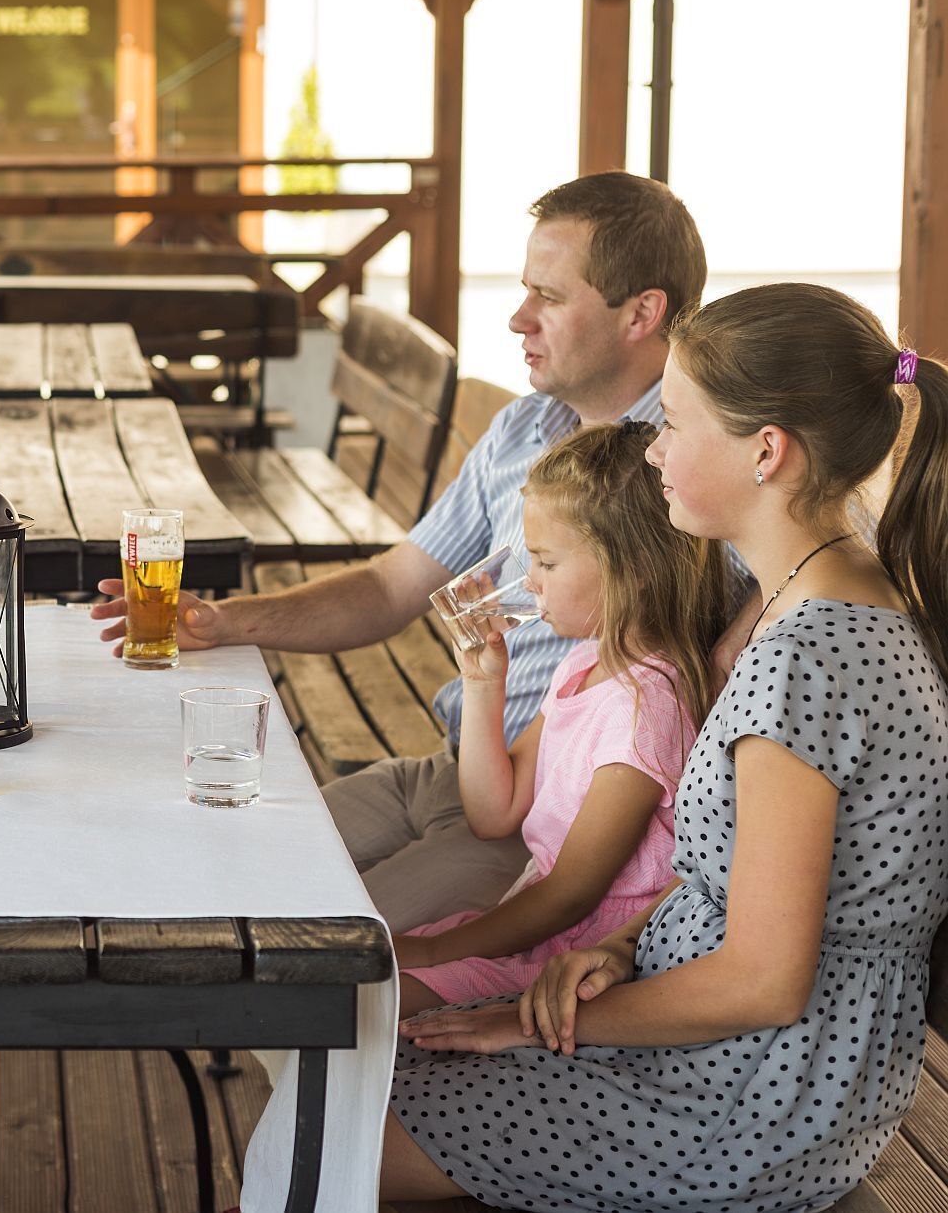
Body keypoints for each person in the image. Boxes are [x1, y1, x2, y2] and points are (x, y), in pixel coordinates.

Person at [384, 283, 948, 1211]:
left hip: (746, 1098)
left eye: (674, 424)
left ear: (767, 452)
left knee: (327, 1127)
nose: (653, 450)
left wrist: (545, 1024)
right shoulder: (803, 602)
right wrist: (625, 946)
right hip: (751, 1052)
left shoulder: (806, 660)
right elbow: (738, 887)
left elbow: (764, 980)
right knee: (349, 1082)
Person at [94, 170, 712, 930]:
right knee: (212, 859)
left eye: (549, 297)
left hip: (542, 824)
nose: (520, 319)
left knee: (312, 957)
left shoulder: (692, 470)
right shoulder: (525, 428)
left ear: (642, 313)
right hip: (452, 766)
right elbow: (394, 586)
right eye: (525, 291)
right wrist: (226, 621)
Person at [393, 421, 727, 1018]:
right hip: (532, 930)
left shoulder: (647, 708)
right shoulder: (588, 662)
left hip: (579, 962)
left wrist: (435, 948)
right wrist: (482, 681)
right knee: (354, 996)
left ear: (631, 568)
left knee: (367, 1009)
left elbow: (570, 896)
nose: (529, 583)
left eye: (545, 562)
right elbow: (495, 813)